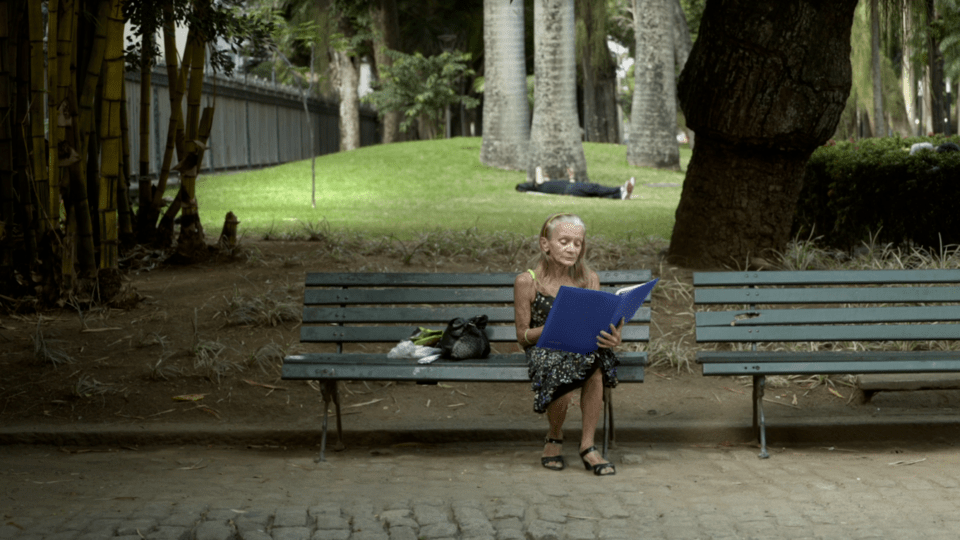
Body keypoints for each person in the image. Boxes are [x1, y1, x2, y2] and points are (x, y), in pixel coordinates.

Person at [513, 213, 621, 476]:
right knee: (562, 367)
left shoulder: (589, 279)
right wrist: (555, 327)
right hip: (545, 348)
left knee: (594, 366)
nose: (572, 248)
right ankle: (554, 435)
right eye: (564, 241)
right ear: (545, 244)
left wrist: (613, 337)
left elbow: (598, 321)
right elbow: (522, 336)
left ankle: (588, 446)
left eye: (577, 243)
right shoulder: (527, 281)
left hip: (582, 346)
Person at [516, 167, 635, 200]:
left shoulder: (545, 185)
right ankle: (620, 189)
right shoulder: (539, 184)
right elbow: (538, 169)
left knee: (596, 194)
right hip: (571, 188)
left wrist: (571, 176)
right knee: (595, 188)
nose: (545, 174)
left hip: (570, 189)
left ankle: (620, 195)